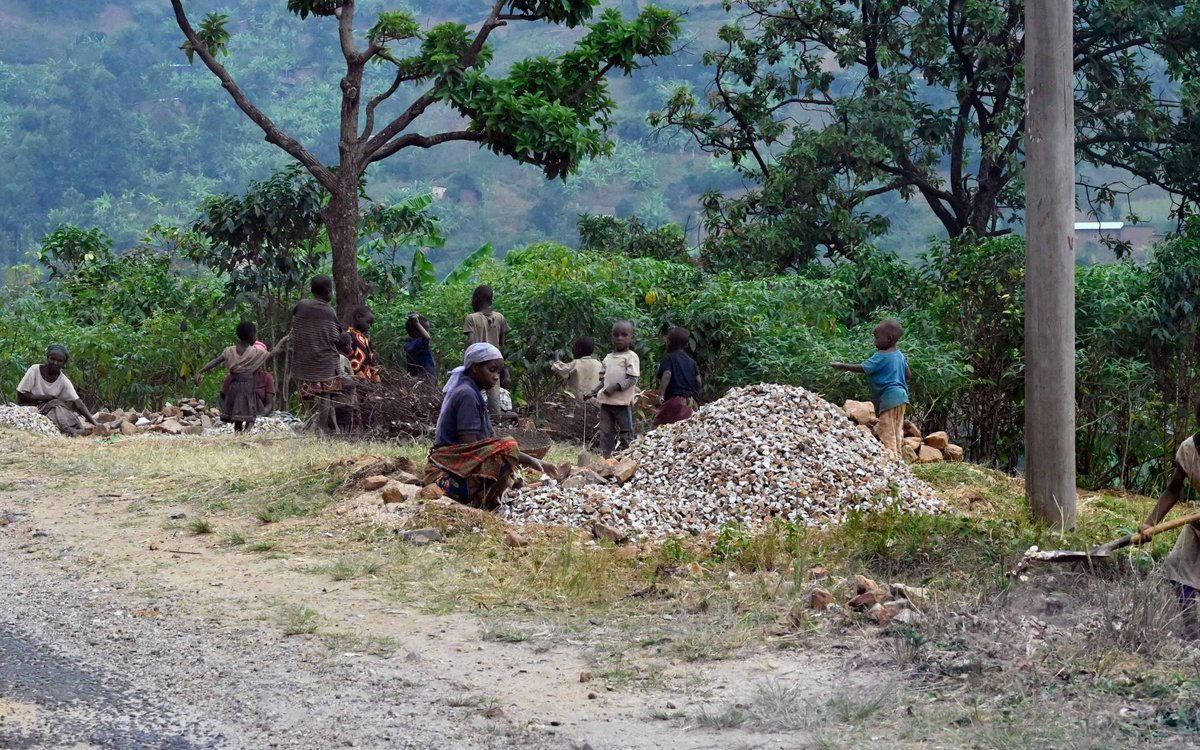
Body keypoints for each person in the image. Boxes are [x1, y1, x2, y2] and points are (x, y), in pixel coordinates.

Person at [425, 343, 555, 510]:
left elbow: (487, 443)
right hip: (446, 475)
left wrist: (533, 461)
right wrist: (516, 458)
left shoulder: (472, 392)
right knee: (507, 446)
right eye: (491, 370)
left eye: (498, 372)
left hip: (451, 468)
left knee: (505, 450)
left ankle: (488, 494)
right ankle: (481, 499)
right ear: (474, 368)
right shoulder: (467, 395)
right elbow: (471, 449)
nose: (496, 377)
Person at [1140, 396, 1200, 640]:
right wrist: (1150, 522)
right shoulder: (1189, 450)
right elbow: (1174, 489)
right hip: (1199, 525)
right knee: (1177, 567)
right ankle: (1193, 631)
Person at [831, 318, 912, 456]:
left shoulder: (881, 356)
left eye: (877, 338)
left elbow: (863, 368)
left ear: (888, 338)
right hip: (902, 397)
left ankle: (892, 460)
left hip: (889, 397)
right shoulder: (899, 355)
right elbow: (908, 375)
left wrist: (842, 366)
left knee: (887, 430)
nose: (875, 341)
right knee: (897, 429)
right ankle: (899, 458)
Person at [194, 323, 287, 432]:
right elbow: (273, 353)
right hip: (247, 387)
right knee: (251, 416)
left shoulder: (229, 351)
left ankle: (238, 434)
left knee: (237, 416)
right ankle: (246, 433)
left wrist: (201, 371)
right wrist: (282, 341)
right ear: (252, 335)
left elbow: (215, 361)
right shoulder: (255, 352)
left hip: (234, 386)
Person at [290, 275, 344, 432]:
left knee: (314, 396)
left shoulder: (301, 305)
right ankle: (321, 427)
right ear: (328, 290)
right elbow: (335, 337)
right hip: (325, 361)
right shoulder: (329, 311)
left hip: (305, 359)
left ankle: (325, 426)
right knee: (326, 396)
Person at [586, 320, 640, 458]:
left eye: (624, 335)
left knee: (626, 432)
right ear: (612, 337)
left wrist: (616, 387)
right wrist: (593, 392)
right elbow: (604, 380)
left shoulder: (631, 357)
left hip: (621, 403)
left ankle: (628, 457)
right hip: (606, 403)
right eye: (616, 335)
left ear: (631, 337)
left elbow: (632, 379)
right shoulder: (608, 358)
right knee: (606, 432)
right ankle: (606, 458)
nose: (619, 338)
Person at [16, 344, 98, 436]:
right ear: (47, 358)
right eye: (52, 359)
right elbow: (21, 395)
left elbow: (78, 402)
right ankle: (71, 431)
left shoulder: (63, 381)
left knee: (60, 406)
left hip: (50, 408)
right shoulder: (35, 370)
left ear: (64, 364)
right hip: (29, 407)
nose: (55, 363)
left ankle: (79, 428)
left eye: (59, 361)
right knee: (56, 404)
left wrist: (94, 422)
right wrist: (46, 398)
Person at [463, 285, 509, 418]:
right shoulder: (500, 317)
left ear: (476, 299)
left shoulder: (471, 318)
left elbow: (471, 345)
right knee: (495, 403)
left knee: (472, 394)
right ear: (491, 300)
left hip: (478, 364)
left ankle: (475, 420)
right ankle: (496, 422)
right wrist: (503, 369)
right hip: (495, 363)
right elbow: (502, 344)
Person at [655, 327, 701, 426]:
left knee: (659, 427)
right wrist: (695, 395)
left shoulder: (669, 358)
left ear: (669, 343)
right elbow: (698, 381)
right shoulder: (691, 362)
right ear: (686, 344)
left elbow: (667, 374)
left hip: (675, 402)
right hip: (691, 403)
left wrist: (660, 395)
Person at [347, 305, 381, 383]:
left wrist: (376, 378)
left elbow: (372, 360)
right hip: (355, 380)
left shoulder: (366, 339)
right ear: (358, 317)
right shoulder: (348, 336)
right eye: (368, 322)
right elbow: (350, 358)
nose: (370, 326)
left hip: (368, 381)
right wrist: (361, 377)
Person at [333, 332, 359, 433]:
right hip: (342, 402)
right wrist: (355, 380)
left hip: (343, 402)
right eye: (351, 344)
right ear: (347, 345)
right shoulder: (341, 358)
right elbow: (341, 376)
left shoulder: (340, 358)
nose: (352, 347)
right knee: (343, 428)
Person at [405, 312, 436, 382]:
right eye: (426, 330)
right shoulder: (419, 342)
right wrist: (416, 323)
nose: (428, 333)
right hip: (424, 375)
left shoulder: (410, 342)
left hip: (420, 375)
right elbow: (427, 337)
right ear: (417, 333)